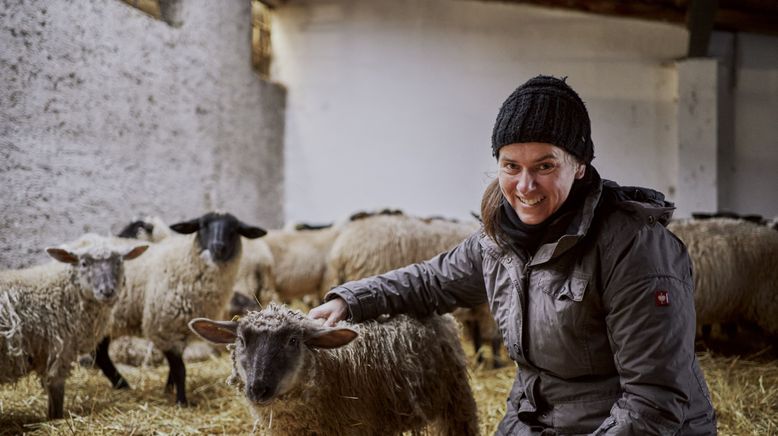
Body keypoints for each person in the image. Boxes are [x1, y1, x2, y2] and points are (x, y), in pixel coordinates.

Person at [309, 75, 717, 435]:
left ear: (578, 166)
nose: (525, 185)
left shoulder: (633, 248)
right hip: (535, 419)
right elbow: (432, 280)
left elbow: (654, 400)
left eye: (544, 165)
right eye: (510, 166)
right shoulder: (499, 239)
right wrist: (350, 299)